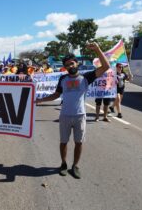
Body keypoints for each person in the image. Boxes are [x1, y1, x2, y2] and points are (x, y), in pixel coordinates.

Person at [36, 42, 110, 179]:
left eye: (72, 63)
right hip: (64, 116)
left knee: (79, 142)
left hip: (80, 116)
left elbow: (106, 66)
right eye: (67, 64)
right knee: (63, 142)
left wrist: (98, 49)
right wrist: (40, 100)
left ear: (77, 64)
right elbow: (56, 95)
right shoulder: (62, 78)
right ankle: (63, 164)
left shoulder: (86, 77)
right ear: (65, 67)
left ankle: (75, 166)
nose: (70, 66)